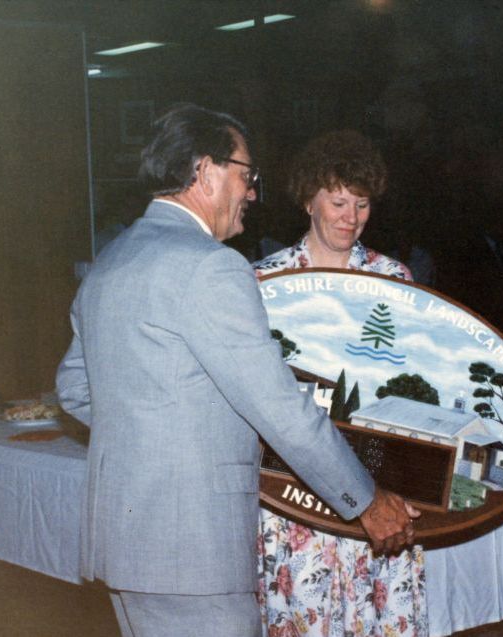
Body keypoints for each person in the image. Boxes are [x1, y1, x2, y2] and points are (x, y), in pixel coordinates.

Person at [55, 106, 417, 637]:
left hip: (124, 544)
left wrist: (163, 439)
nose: (250, 192)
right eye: (246, 176)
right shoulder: (212, 266)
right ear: (206, 171)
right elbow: (277, 406)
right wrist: (364, 499)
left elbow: (74, 389)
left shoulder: (113, 259)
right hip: (193, 546)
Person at [253, 130, 426, 637]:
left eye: (363, 204)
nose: (351, 217)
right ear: (309, 200)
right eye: (338, 201)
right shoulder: (263, 281)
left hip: (379, 484)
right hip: (293, 495)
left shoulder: (394, 277)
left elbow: (414, 390)